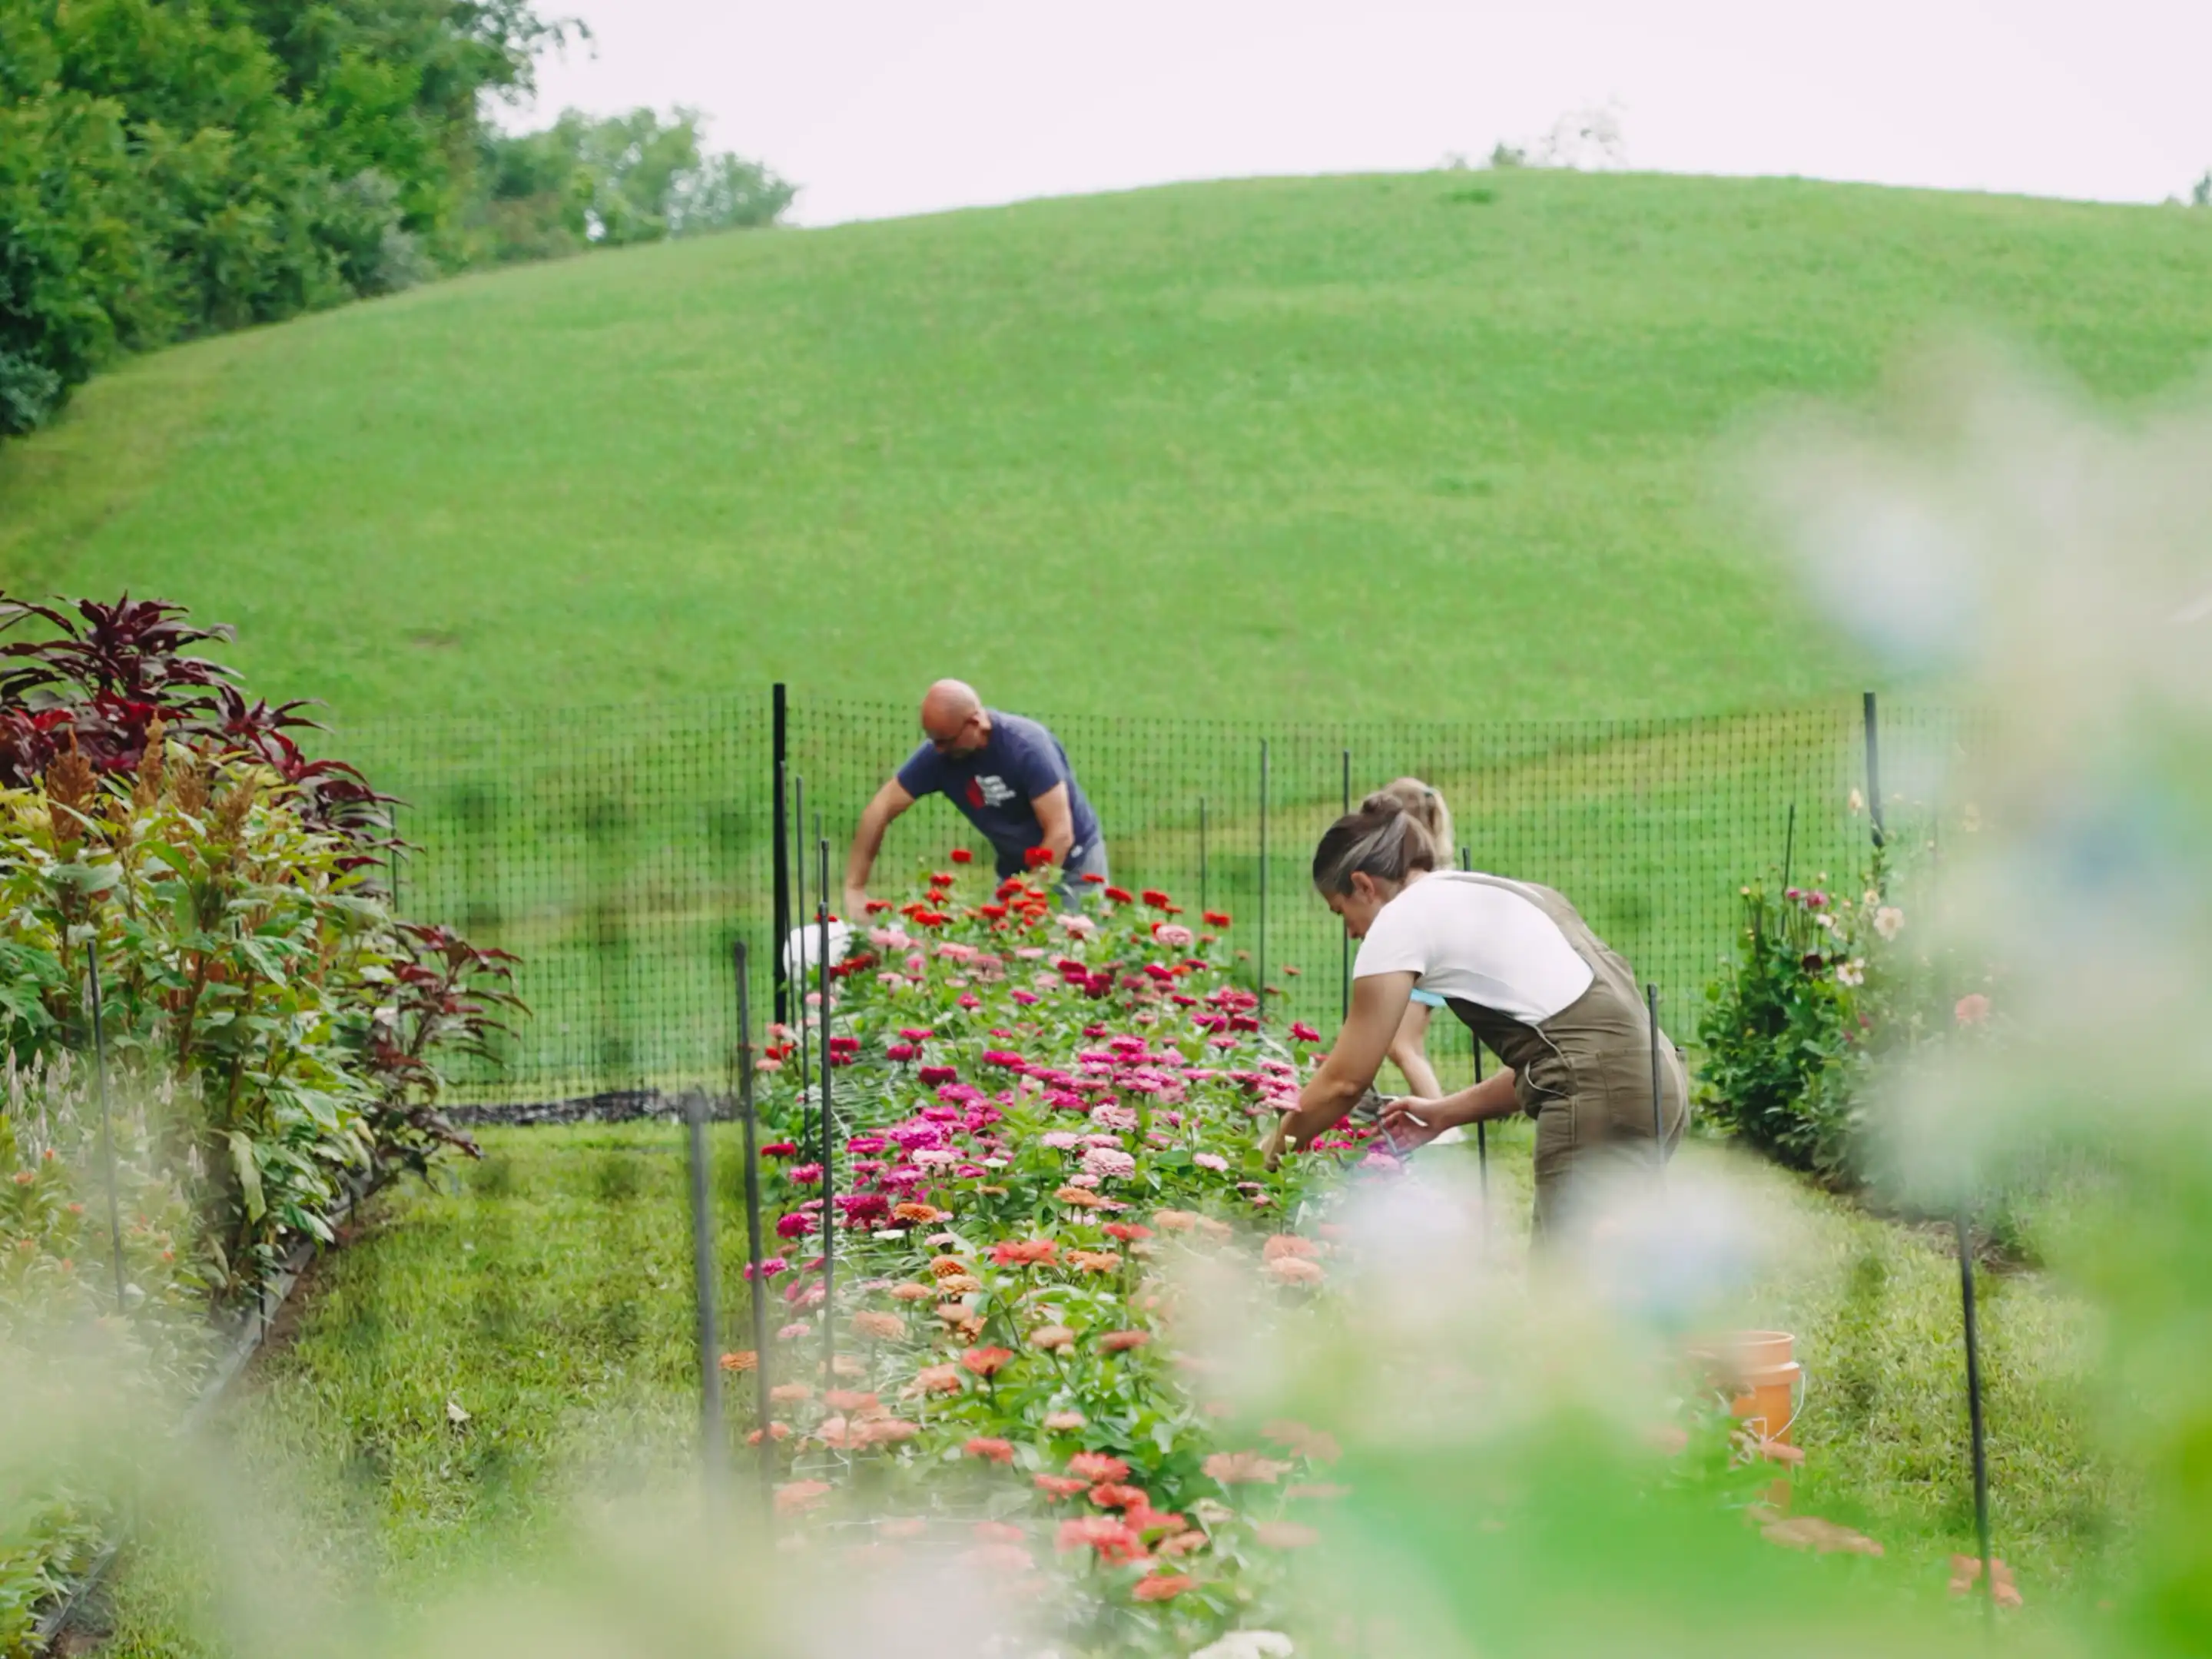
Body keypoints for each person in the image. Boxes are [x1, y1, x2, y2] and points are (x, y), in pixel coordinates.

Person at [1263, 795, 1686, 1239]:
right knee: (1621, 1279)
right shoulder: (1508, 893)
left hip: (1603, 1100)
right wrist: (1446, 1113)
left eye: (1341, 911)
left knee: (1572, 1290)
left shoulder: (1399, 920)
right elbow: (1565, 1053)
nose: (1350, 932)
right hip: (1658, 1082)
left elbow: (1345, 1083)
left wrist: (1273, 1150)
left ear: (1364, 885)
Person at [844, 680, 1107, 915]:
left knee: (1078, 961)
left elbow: (1061, 833)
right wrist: (854, 888)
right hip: (1016, 874)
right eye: (933, 740)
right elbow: (880, 809)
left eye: (945, 741)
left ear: (975, 723)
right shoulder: (939, 756)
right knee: (996, 962)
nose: (937, 749)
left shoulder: (1027, 748)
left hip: (1075, 868)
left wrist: (1029, 899)